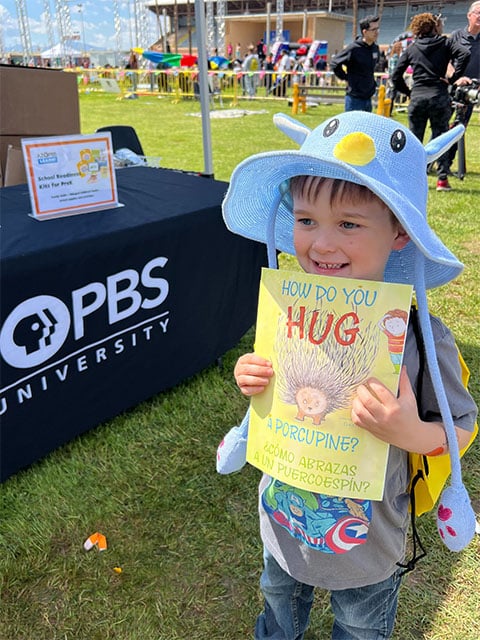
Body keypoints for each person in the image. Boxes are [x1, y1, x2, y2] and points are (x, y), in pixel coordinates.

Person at [219, 111, 477, 639]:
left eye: (350, 224)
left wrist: (409, 432)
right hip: (282, 519)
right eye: (307, 219)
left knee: (359, 625)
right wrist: (253, 376)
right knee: (277, 598)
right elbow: (276, 391)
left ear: (400, 233)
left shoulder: (420, 335)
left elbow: (460, 428)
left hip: (366, 546)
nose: (321, 244)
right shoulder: (292, 309)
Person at [392, 13, 470, 192]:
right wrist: (454, 78)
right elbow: (465, 53)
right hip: (439, 95)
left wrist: (409, 92)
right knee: (441, 136)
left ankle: (411, 178)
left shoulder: (411, 49)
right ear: (435, 27)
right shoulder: (445, 43)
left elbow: (396, 76)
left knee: (414, 139)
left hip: (418, 96)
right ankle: (442, 179)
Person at [446, 1, 480, 174]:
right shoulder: (456, 36)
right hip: (453, 90)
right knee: (443, 126)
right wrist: (455, 78)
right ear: (469, 15)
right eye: (478, 13)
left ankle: (448, 164)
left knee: (460, 128)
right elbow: (445, 61)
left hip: (473, 92)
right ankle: (433, 161)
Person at [330, 15, 381, 112]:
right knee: (352, 127)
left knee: (366, 127)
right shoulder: (353, 48)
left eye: (377, 29)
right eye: (373, 29)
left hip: (368, 97)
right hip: (354, 98)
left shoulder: (375, 48)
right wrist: (346, 78)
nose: (377, 32)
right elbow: (334, 63)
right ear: (365, 32)